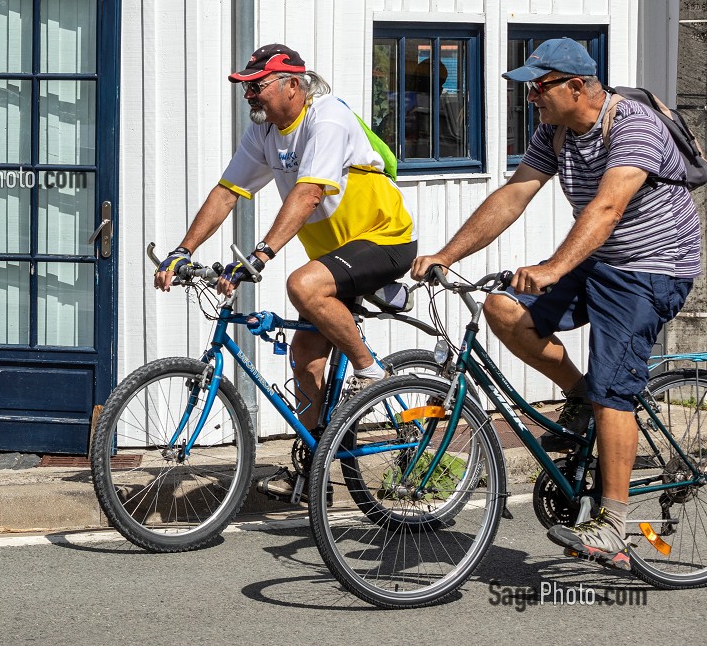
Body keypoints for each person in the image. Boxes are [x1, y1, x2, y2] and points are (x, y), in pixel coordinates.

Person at [412, 38, 700, 571]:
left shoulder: (634, 125)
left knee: (616, 386)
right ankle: (580, 396)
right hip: (598, 257)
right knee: (502, 308)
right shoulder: (557, 130)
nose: (530, 99)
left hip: (652, 266)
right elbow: (514, 193)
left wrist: (554, 267)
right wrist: (448, 254)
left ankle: (615, 521)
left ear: (575, 86)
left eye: (537, 87)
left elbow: (609, 206)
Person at [154, 44, 416, 499]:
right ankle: (315, 472)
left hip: (384, 241)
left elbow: (309, 193)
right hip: (335, 256)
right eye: (245, 88)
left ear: (292, 85)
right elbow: (226, 192)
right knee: (306, 355)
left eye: (257, 86)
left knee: (302, 285)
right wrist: (183, 249)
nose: (249, 96)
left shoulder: (327, 118)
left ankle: (372, 373)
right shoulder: (264, 134)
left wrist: (260, 255)